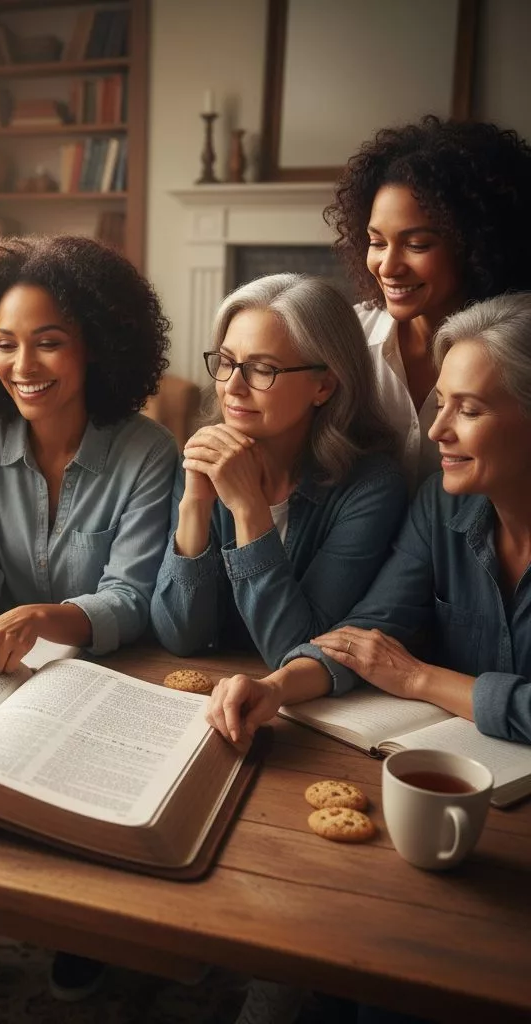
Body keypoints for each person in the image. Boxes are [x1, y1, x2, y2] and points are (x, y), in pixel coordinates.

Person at [0, 235, 177, 1001]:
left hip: (105, 672)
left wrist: (39, 619)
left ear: (96, 344)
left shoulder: (149, 451)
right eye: (4, 344)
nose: (23, 365)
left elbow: (131, 597)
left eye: (48, 343)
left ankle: (77, 925)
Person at [207, 291, 531, 751]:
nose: (437, 431)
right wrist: (276, 688)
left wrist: (421, 678)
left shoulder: (376, 484)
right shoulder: (438, 505)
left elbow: (396, 665)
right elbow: (369, 630)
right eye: (440, 404)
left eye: (471, 410)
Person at [150, 273, 406, 668]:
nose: (232, 386)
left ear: (324, 386)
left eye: (262, 369)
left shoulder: (371, 487)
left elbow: (295, 647)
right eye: (227, 362)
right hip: (215, 692)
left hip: (301, 704)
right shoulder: (205, 457)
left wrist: (249, 508)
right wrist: (195, 506)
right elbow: (180, 636)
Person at [325, 115, 531, 490]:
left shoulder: (520, 352)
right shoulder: (347, 337)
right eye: (376, 242)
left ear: (477, 245)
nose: (388, 266)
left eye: (417, 244)